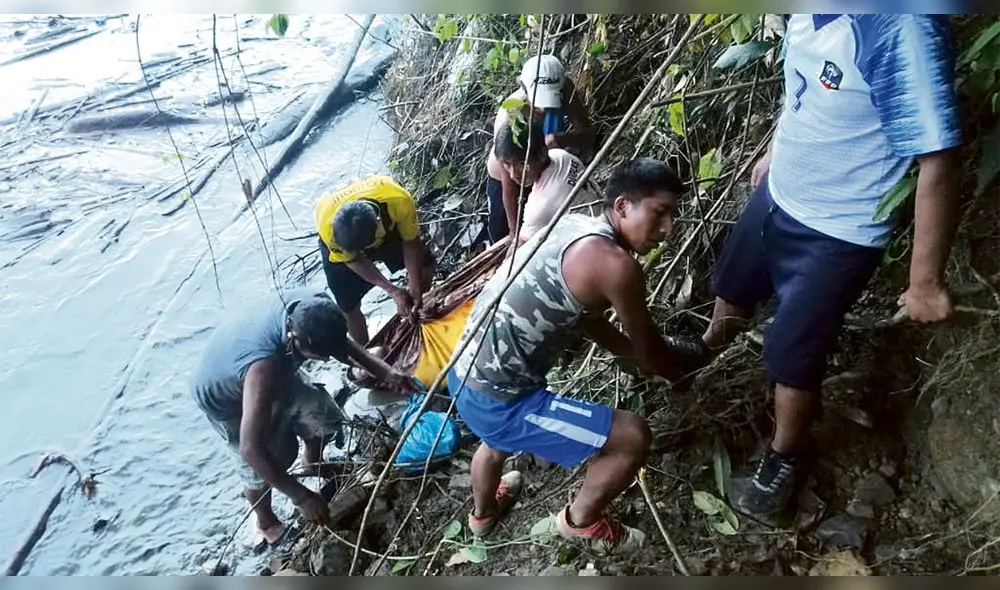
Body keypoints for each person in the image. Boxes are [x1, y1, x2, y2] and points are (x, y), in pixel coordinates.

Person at [665, 14, 962, 520]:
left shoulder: (901, 28)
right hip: (783, 190)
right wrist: (774, 147)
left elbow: (938, 157)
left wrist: (924, 281)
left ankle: (784, 453)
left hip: (840, 226)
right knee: (735, 280)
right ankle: (709, 349)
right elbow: (802, 83)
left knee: (793, 352)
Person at [447, 157, 688, 554]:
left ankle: (482, 515)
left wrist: (632, 357)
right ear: (622, 206)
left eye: (673, 216)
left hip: (463, 370)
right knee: (632, 437)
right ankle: (581, 521)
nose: (667, 230)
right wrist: (673, 374)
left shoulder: (576, 224)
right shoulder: (617, 266)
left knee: (492, 445)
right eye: (660, 213)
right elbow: (651, 351)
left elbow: (586, 318)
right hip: (501, 400)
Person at [190, 288, 417, 545]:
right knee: (264, 462)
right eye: (321, 356)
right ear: (295, 340)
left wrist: (387, 373)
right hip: (227, 399)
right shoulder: (263, 369)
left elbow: (343, 345)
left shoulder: (318, 307)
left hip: (272, 365)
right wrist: (302, 497)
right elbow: (250, 449)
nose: (329, 358)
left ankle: (314, 463)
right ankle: (266, 521)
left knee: (322, 415)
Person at [483, 54, 597, 244]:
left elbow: (588, 135)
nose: (544, 110)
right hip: (509, 175)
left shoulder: (564, 89)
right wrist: (513, 233)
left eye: (549, 103)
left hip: (540, 165)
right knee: (501, 233)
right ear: (524, 89)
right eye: (538, 105)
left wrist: (561, 139)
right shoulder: (510, 114)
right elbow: (508, 183)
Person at [314, 175, 435, 345]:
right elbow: (353, 260)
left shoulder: (398, 201)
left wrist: (414, 287)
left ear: (378, 223)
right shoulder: (330, 231)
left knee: (425, 264)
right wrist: (393, 291)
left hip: (386, 226)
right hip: (346, 241)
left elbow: (411, 242)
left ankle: (419, 306)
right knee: (347, 304)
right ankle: (367, 349)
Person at [493, 116, 602, 245]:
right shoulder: (561, 155)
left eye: (522, 164)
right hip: (600, 220)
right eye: (507, 164)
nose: (513, 174)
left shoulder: (540, 206)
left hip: (593, 246)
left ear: (542, 154)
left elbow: (518, 251)